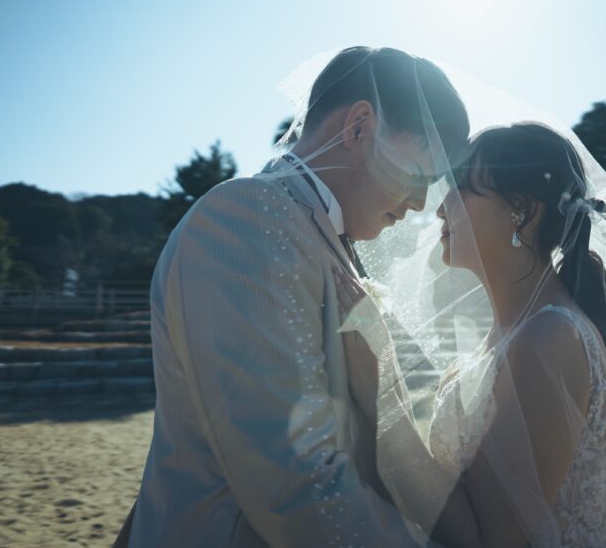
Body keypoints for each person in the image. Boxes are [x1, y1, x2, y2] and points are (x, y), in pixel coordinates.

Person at [117, 46, 470, 547]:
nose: (418, 204)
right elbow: (294, 483)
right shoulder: (245, 218)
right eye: (417, 176)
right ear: (358, 127)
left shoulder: (314, 232)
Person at [336, 122, 606, 547]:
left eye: (462, 191)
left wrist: (381, 396)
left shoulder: (549, 339)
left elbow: (491, 540)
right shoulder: (509, 337)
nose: (440, 210)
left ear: (522, 211)